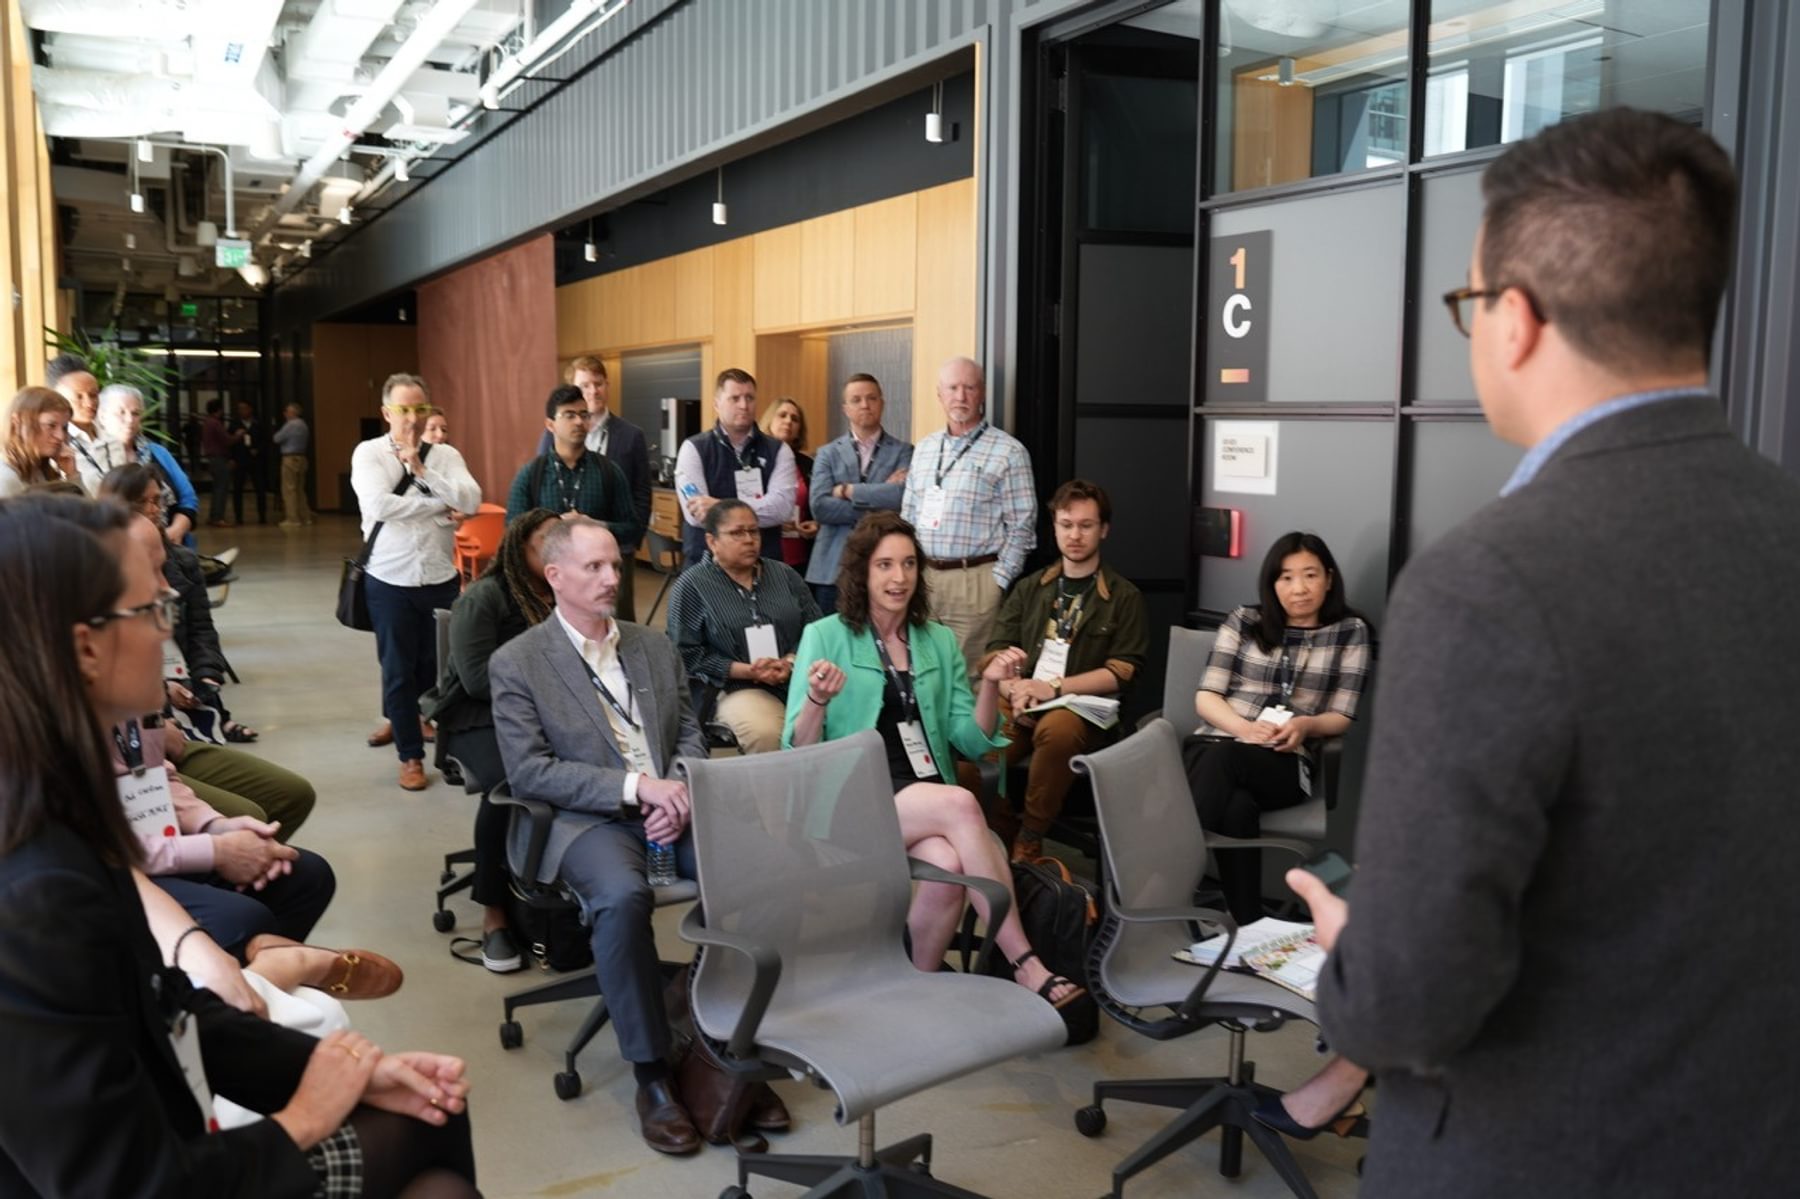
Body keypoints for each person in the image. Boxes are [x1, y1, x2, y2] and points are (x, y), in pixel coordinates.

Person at [1278, 110, 1800, 1197]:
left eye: (1467, 303)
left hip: (1532, 1153)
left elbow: (1406, 1003)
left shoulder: (1487, 582)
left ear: (1513, 320)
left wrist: (1353, 957)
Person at [0, 494, 479, 1199]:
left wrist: (344, 1072)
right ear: (85, 647)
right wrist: (304, 1117)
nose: (167, 628)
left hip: (170, 1150)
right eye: (151, 609)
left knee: (428, 1110)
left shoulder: (56, 809)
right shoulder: (34, 895)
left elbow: (170, 1010)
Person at [489, 516, 792, 1155]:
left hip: (671, 808)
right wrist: (637, 789)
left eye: (615, 565)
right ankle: (652, 1073)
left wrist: (677, 787)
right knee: (623, 898)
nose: (612, 578)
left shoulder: (652, 646)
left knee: (753, 876)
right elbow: (531, 771)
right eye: (594, 567)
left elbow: (689, 730)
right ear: (555, 577)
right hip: (585, 820)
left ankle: (721, 1051)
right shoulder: (518, 662)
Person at [784, 511, 1087, 1021]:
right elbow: (797, 746)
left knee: (948, 866)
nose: (899, 577)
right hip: (852, 799)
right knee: (962, 803)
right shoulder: (826, 635)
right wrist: (816, 699)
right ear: (862, 572)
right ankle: (1025, 961)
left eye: (908, 564)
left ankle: (912, 991)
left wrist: (990, 685)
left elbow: (970, 739)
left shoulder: (937, 640)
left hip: (925, 796)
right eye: (885, 565)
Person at [1183, 531, 1370, 925]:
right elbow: (1206, 697)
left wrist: (1305, 725)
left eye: (1310, 575)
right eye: (1286, 577)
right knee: (1236, 806)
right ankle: (1249, 923)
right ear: (1272, 584)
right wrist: (1244, 728)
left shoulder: (1349, 631)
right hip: (1217, 743)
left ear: (1329, 579)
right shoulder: (1244, 620)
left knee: (1224, 760)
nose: (1298, 588)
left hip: (1284, 761)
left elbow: (1342, 714)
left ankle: (1167, 875)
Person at [977, 480, 1148, 862]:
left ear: (1104, 529)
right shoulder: (1030, 588)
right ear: (1054, 527)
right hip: (1020, 699)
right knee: (976, 745)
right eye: (1066, 524)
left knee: (1057, 731)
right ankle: (1002, 830)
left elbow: (1122, 671)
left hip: (1082, 707)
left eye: (1086, 525)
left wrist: (1052, 688)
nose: (1075, 535)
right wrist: (1016, 690)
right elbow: (994, 654)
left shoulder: (1123, 596)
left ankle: (1030, 835)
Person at [423, 507, 560, 974]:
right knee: (511, 784)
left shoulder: (569, 591)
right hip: (477, 715)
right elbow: (479, 680)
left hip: (549, 713)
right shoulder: (486, 596)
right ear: (521, 547)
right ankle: (494, 912)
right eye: (548, 541)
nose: (560, 550)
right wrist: (552, 690)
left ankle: (562, 891)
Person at [351, 374, 482, 791]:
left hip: (440, 578)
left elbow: (471, 500)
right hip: (389, 579)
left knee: (437, 668)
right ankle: (410, 756)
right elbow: (378, 505)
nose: (412, 418)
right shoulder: (369, 453)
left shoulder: (445, 455)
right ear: (386, 413)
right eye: (403, 410)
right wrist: (439, 505)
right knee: (397, 670)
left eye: (419, 409)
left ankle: (430, 730)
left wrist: (422, 470)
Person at [901, 357, 1036, 678]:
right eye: (952, 388)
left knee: (971, 678)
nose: (960, 396)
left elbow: (1023, 526)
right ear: (939, 394)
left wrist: (997, 580)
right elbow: (908, 515)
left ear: (982, 393)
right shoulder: (924, 449)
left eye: (969, 388)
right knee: (922, 673)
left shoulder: (1009, 451)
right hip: (923, 578)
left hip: (975, 581)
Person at [664, 499, 820, 753]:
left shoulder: (784, 575)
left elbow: (814, 628)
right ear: (712, 541)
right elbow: (685, 655)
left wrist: (790, 661)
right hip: (729, 687)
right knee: (767, 733)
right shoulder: (692, 585)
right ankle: (775, 782)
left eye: (754, 531)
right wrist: (749, 671)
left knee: (838, 715)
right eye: (737, 533)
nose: (749, 540)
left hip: (796, 677)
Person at [533, 357, 652, 621]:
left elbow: (642, 493)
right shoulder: (551, 435)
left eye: (598, 384)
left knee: (618, 620)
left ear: (607, 386)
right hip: (566, 550)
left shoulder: (631, 435)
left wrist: (633, 537)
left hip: (616, 547)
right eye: (585, 385)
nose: (593, 391)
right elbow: (542, 483)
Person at [806, 372, 913, 612]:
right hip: (832, 568)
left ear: (882, 404)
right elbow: (820, 507)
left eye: (871, 398)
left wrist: (848, 490)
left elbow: (901, 498)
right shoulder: (827, 453)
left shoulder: (904, 451)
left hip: (884, 567)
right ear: (845, 409)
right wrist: (880, 502)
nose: (865, 405)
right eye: (856, 400)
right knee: (830, 635)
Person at [673, 368, 795, 566]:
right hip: (707, 567)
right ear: (717, 404)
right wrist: (757, 511)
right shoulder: (693, 449)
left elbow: (782, 509)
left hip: (763, 565)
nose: (744, 405)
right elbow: (697, 515)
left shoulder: (779, 450)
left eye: (750, 398)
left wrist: (718, 506)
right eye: (735, 398)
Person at [505, 385, 640, 552]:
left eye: (584, 415)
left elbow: (632, 529)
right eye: (569, 415)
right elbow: (513, 530)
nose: (579, 422)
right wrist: (550, 529)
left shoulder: (609, 471)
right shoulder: (530, 474)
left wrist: (596, 525)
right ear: (550, 425)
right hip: (545, 566)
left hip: (595, 563)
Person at [87, 383, 199, 546]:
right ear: (102, 416)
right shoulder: (91, 458)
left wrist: (176, 530)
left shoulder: (157, 453)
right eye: (121, 412)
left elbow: (188, 497)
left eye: (135, 413)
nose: (129, 420)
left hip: (170, 545)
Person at [761, 396, 818, 573]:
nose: (788, 421)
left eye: (795, 419)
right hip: (763, 556)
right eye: (782, 415)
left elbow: (816, 506)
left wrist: (816, 524)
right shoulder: (754, 461)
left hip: (801, 559)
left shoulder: (808, 465)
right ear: (770, 421)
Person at [1, 386, 77, 498]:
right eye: (51, 425)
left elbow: (87, 509)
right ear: (17, 423)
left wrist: (73, 475)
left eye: (64, 427)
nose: (60, 436)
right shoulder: (5, 478)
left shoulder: (38, 470)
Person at [48, 354, 104, 486]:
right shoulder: (54, 446)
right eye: (79, 397)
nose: (89, 403)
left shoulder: (112, 440)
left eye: (93, 395)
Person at [274, 402, 314, 527]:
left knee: (289, 490)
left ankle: (293, 519)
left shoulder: (290, 425)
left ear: (293, 413)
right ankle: (305, 517)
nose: (285, 413)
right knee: (300, 490)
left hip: (289, 458)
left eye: (287, 411)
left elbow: (276, 438)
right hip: (302, 458)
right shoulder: (303, 425)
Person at [229, 399, 268, 526]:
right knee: (237, 489)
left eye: (244, 408)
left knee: (260, 488)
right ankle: (238, 517)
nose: (242, 411)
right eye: (240, 408)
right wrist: (232, 458)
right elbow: (230, 443)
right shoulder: (234, 424)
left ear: (250, 409)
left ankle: (262, 516)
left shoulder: (258, 424)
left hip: (256, 460)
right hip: (240, 459)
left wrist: (258, 450)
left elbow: (265, 440)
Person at [201, 400, 234, 527]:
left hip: (211, 459)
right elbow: (227, 440)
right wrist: (238, 435)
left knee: (216, 488)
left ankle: (213, 516)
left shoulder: (207, 422)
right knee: (222, 488)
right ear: (219, 410)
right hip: (219, 458)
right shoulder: (215, 423)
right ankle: (218, 517)